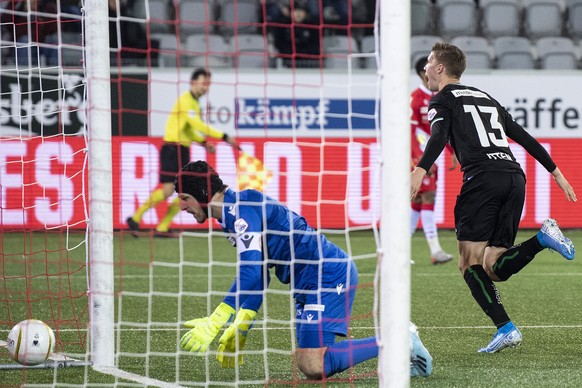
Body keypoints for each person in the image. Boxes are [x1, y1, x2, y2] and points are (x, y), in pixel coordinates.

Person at [175, 160, 433, 379]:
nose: (182, 206)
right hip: (307, 283)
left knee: (314, 363)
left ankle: (400, 338)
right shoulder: (231, 216)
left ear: (202, 193)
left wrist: (217, 319)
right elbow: (261, 272)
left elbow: (251, 272)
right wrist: (242, 324)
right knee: (308, 364)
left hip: (328, 275)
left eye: (185, 198)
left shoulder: (243, 209)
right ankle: (401, 346)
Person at [410, 42, 577, 353]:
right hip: (514, 177)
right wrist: (556, 172)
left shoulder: (441, 99)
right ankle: (541, 239)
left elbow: (438, 135)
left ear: (441, 68)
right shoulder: (485, 97)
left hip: (482, 180)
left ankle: (506, 328)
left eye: (429, 63)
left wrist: (421, 169)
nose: (425, 69)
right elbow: (522, 136)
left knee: (467, 261)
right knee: (494, 266)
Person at [126, 69, 238, 238]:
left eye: (208, 84)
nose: (205, 87)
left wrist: (203, 143)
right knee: (168, 190)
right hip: (172, 149)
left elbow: (190, 130)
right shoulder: (186, 101)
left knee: (182, 190)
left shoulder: (193, 103)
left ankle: (163, 227)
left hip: (181, 149)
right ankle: (135, 218)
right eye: (203, 83)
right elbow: (198, 125)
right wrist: (223, 136)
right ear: (193, 82)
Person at [410, 57, 456, 265]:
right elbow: (409, 130)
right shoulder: (415, 98)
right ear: (422, 72)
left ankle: (398, 251)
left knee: (418, 202)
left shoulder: (439, 97)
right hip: (417, 155)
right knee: (428, 196)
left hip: (430, 152)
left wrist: (451, 150)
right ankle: (436, 250)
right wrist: (415, 157)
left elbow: (439, 130)